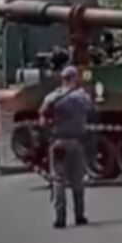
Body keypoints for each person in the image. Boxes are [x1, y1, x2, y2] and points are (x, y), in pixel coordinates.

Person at [39, 65, 92, 229]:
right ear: (75, 78)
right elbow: (90, 110)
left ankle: (60, 218)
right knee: (77, 179)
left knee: (58, 180)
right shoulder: (82, 97)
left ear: (63, 78)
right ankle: (79, 215)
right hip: (76, 142)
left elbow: (42, 120)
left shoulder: (51, 98)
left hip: (58, 141)